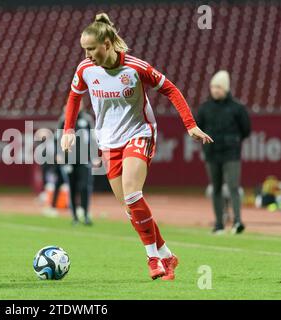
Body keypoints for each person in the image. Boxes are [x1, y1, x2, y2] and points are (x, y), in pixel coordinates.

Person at [60, 13, 213, 281]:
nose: (88, 54)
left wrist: (190, 124)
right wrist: (68, 130)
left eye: (92, 48)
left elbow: (171, 90)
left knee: (133, 194)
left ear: (107, 44)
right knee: (132, 208)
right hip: (108, 141)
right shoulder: (85, 69)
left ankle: (152, 257)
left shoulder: (135, 67)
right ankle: (167, 254)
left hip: (139, 133)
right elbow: (74, 97)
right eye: (85, 49)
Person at [196, 70, 251, 235]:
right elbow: (197, 128)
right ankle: (219, 224)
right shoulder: (205, 108)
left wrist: (232, 141)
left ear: (226, 88)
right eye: (213, 87)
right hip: (212, 153)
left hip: (231, 153)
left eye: (218, 87)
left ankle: (237, 222)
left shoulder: (238, 108)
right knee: (216, 188)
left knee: (234, 187)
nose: (215, 90)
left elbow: (246, 130)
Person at [56, 100, 96, 226]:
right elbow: (58, 138)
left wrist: (95, 155)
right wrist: (59, 154)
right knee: (72, 188)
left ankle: (85, 214)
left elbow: (93, 138)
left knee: (85, 187)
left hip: (85, 158)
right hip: (69, 159)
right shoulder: (64, 119)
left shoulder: (87, 119)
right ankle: (74, 217)